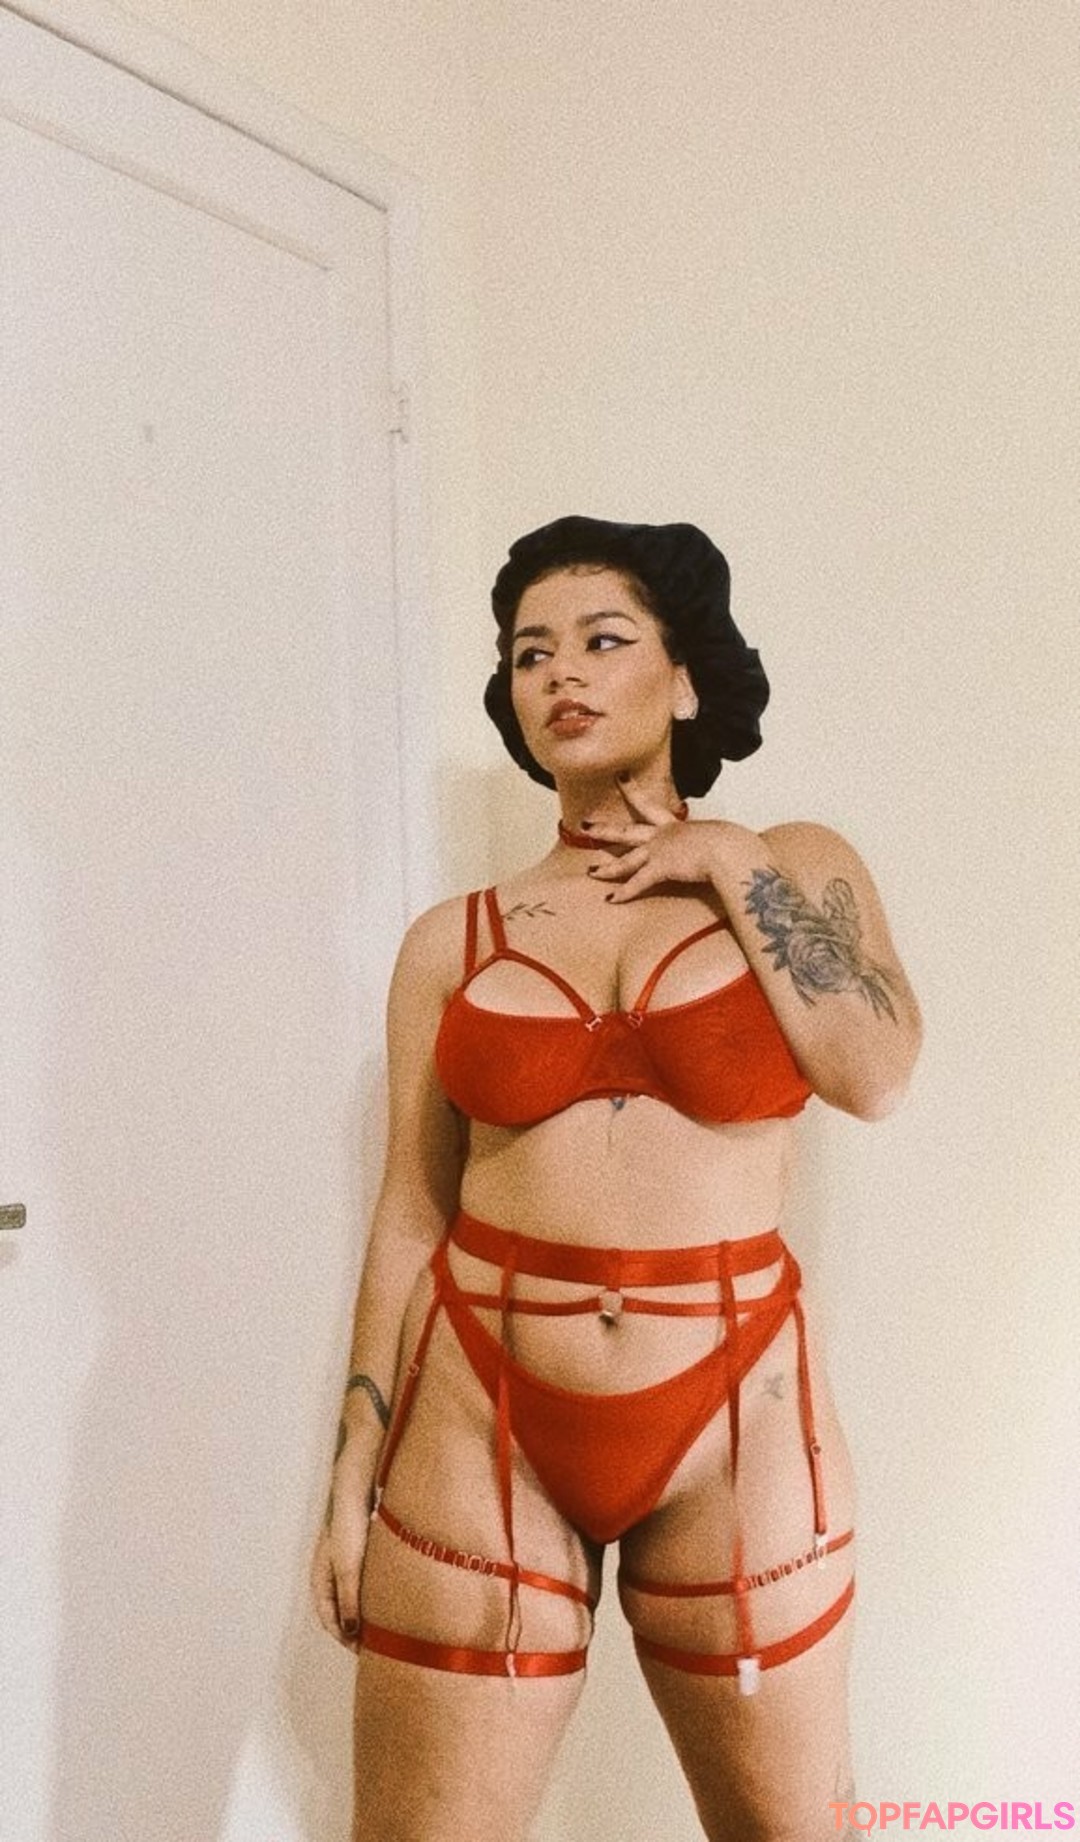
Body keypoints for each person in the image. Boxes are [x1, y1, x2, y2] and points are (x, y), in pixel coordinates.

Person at [310, 516, 922, 1842]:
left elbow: (874, 1071)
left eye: (602, 639)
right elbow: (411, 1213)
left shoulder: (795, 866)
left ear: (686, 678)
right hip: (479, 1411)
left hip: (739, 1409)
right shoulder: (452, 940)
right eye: (530, 654)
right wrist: (352, 1469)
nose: (561, 674)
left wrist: (730, 858)